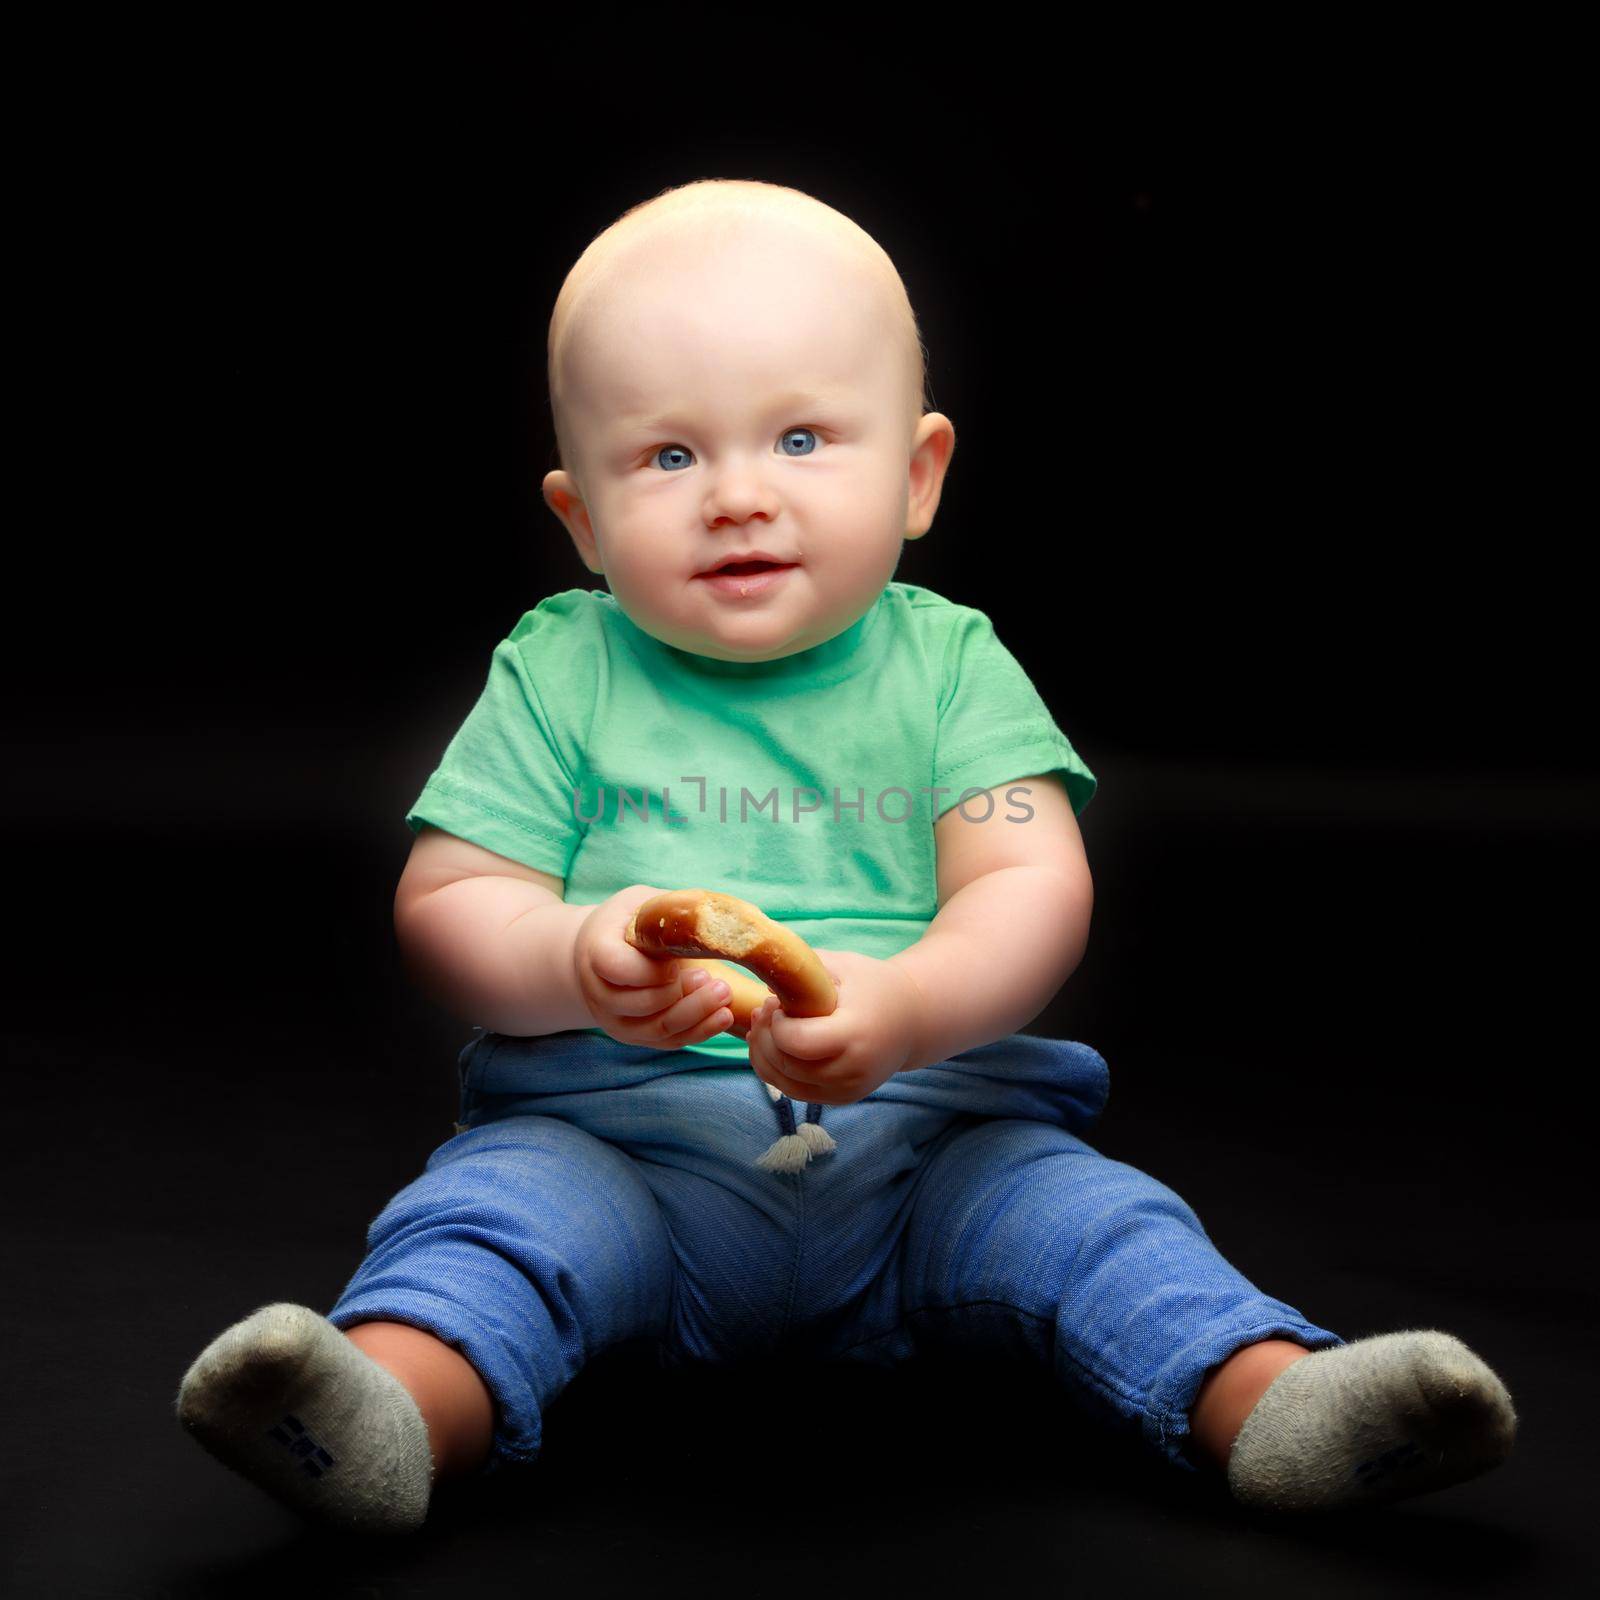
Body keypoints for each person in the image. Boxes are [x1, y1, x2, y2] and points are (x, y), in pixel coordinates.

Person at [175, 178, 1516, 1535]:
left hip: (936, 1154)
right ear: (579, 517)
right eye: (669, 458)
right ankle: (384, 1417)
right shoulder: (559, 669)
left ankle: (1274, 1404)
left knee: (1100, 1234)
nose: (740, 498)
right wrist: (576, 960)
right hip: (618, 1151)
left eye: (803, 438)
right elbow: (451, 900)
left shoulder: (949, 669)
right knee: (489, 1231)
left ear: (919, 473)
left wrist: (911, 1005)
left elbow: (1028, 879)